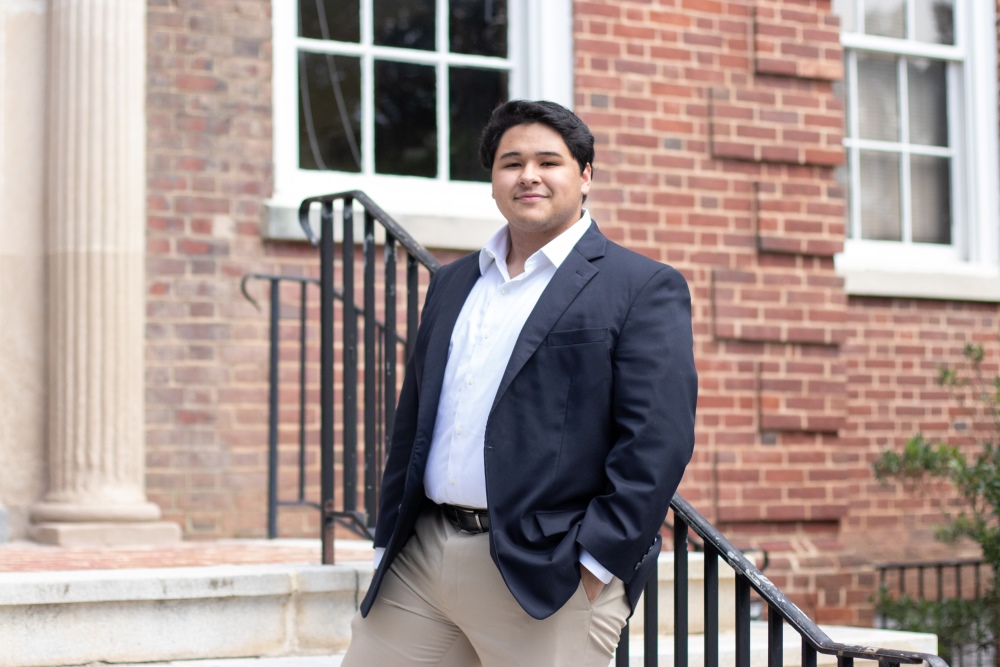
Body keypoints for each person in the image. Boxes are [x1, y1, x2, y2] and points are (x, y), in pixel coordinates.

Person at [342, 100, 698, 667]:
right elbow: (415, 418)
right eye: (511, 163)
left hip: (545, 571)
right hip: (422, 558)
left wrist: (594, 564)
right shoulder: (454, 281)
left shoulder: (640, 287)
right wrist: (391, 535)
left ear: (585, 176)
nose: (528, 175)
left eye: (548, 161)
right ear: (492, 182)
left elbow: (657, 442)